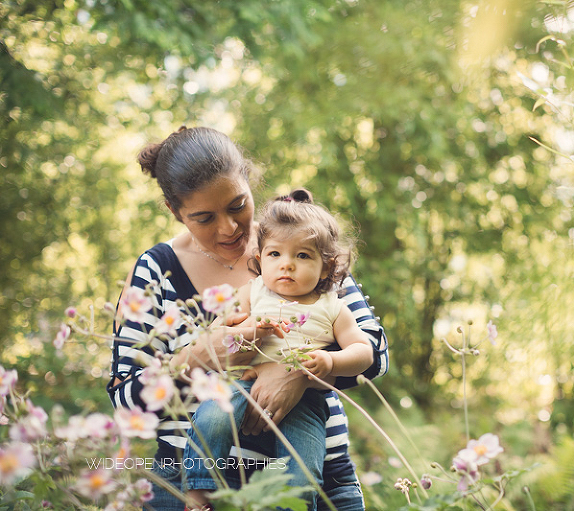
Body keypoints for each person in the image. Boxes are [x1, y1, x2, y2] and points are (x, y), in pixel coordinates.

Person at [106, 126, 388, 511]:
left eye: (237, 205)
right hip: (189, 490)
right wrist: (198, 358)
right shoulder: (157, 270)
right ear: (175, 211)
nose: (229, 228)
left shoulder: (304, 243)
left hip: (319, 482)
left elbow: (376, 354)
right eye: (204, 217)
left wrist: (296, 372)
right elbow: (124, 395)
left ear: (249, 182)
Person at [183, 188, 374, 510]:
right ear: (259, 260)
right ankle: (198, 496)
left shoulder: (333, 307)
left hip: (307, 400)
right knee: (211, 419)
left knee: (304, 467)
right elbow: (214, 336)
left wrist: (330, 360)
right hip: (240, 382)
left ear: (326, 268)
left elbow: (364, 352)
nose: (287, 265)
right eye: (275, 255)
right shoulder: (252, 292)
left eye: (302, 256)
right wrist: (239, 330)